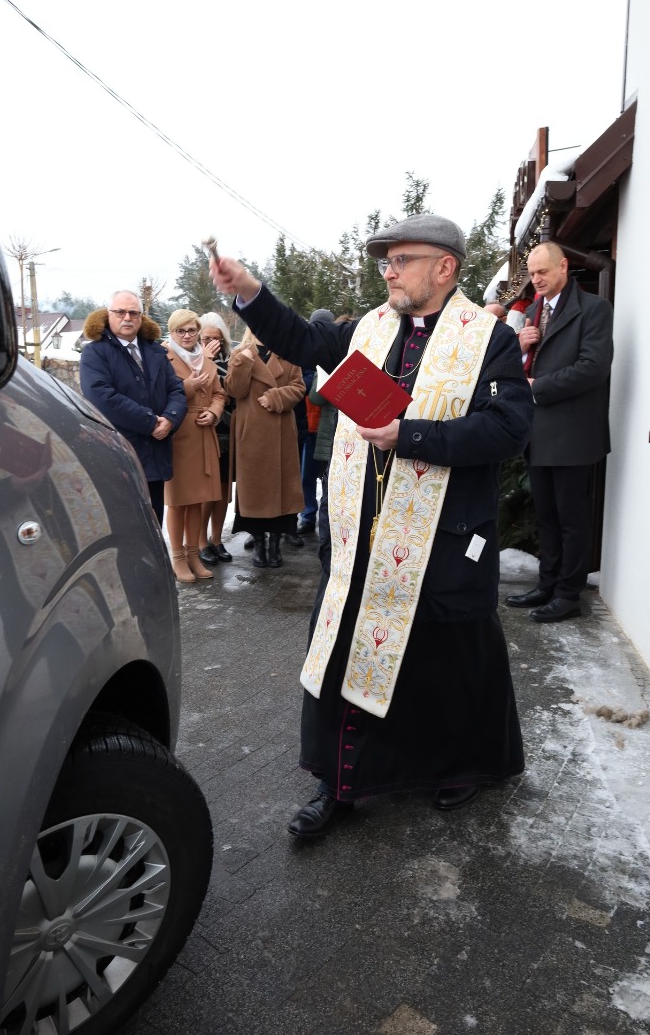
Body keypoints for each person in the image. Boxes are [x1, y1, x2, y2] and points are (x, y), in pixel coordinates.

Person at [210, 212, 533, 837]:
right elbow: (304, 342)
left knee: (445, 657)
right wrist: (248, 291)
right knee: (349, 648)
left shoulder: (484, 338)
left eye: (402, 259)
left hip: (442, 534)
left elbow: (510, 429)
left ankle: (457, 763)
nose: (388, 269)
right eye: (385, 260)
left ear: (445, 267)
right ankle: (341, 783)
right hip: (362, 533)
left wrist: (409, 435)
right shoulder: (371, 327)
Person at [505, 241, 613, 622]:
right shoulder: (533, 311)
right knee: (546, 517)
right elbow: (516, 371)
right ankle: (547, 584)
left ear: (564, 267)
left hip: (573, 434)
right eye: (533, 274)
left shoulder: (594, 309)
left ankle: (569, 594)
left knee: (571, 519)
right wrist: (519, 348)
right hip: (538, 433)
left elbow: (593, 368)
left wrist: (538, 386)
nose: (537, 280)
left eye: (543, 272)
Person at [80, 290, 186, 524]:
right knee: (126, 527)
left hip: (156, 454)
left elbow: (176, 390)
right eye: (120, 312)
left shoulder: (155, 351)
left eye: (133, 313)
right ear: (109, 315)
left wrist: (170, 418)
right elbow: (101, 397)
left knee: (154, 523)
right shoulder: (94, 352)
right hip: (120, 455)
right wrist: (150, 422)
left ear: (141, 317)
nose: (127, 317)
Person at [225, 327, 305, 568]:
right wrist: (242, 364)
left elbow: (300, 387)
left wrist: (276, 398)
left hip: (281, 432)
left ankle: (275, 545)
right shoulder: (240, 354)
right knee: (255, 491)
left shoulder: (288, 354)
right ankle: (259, 544)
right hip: (252, 434)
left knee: (282, 491)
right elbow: (234, 391)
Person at [163, 310, 226, 583]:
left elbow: (220, 394)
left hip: (203, 434)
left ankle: (193, 555)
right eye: (181, 331)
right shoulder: (162, 357)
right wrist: (188, 386)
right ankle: (177, 557)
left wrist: (213, 412)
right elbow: (159, 395)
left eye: (191, 330)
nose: (187, 336)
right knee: (178, 502)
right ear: (172, 333)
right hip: (178, 435)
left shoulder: (205, 359)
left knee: (198, 500)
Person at [198, 312, 235, 564]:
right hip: (202, 429)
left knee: (223, 490)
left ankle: (217, 538)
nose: (210, 342)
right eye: (205, 338)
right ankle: (200, 541)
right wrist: (204, 360)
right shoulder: (191, 360)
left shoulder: (232, 361)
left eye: (215, 338)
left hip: (227, 430)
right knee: (204, 491)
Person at [297, 308, 335, 536]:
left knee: (328, 477)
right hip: (308, 425)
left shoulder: (333, 352)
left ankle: (323, 517)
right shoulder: (304, 351)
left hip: (328, 426)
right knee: (306, 476)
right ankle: (308, 515)